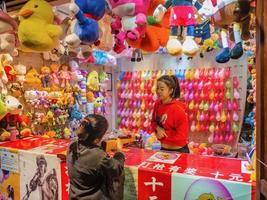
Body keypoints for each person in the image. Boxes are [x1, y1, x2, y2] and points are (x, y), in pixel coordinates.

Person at [67, 114, 125, 200]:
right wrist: (119, 152)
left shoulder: (72, 145)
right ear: (97, 139)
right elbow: (117, 169)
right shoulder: (98, 156)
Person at [152, 75, 189, 153]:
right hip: (163, 149)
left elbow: (182, 136)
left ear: (170, 91)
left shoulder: (178, 109)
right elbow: (153, 122)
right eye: (157, 88)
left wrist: (162, 136)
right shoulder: (157, 105)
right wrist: (157, 128)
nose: (158, 91)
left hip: (178, 151)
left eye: (162, 89)